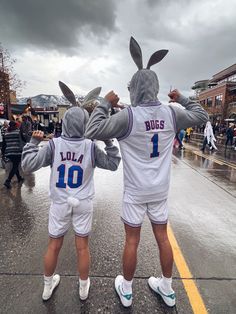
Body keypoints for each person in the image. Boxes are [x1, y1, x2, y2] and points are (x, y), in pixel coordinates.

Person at [85, 37, 208, 308]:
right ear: (155, 87)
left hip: (135, 191)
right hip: (160, 189)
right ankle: (167, 287)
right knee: (163, 237)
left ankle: (127, 291)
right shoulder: (172, 113)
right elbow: (202, 117)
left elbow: (91, 131)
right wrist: (183, 98)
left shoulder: (128, 117)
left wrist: (105, 104)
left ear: (135, 88)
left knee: (132, 239)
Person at [21, 105, 121, 301]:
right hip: (83, 203)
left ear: (65, 122)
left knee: (53, 246)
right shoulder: (90, 146)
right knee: (82, 247)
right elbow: (113, 163)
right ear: (86, 124)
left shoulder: (54, 145)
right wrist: (108, 141)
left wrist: (33, 142)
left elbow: (27, 165)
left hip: (59, 203)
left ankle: (47, 287)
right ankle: (83, 288)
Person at [2, 121, 24, 189]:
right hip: (16, 151)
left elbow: (4, 144)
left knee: (15, 165)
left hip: (9, 152)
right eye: (16, 125)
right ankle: (8, 181)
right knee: (15, 166)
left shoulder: (6, 133)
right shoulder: (18, 132)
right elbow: (23, 139)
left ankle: (19, 178)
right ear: (14, 126)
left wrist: (3, 153)